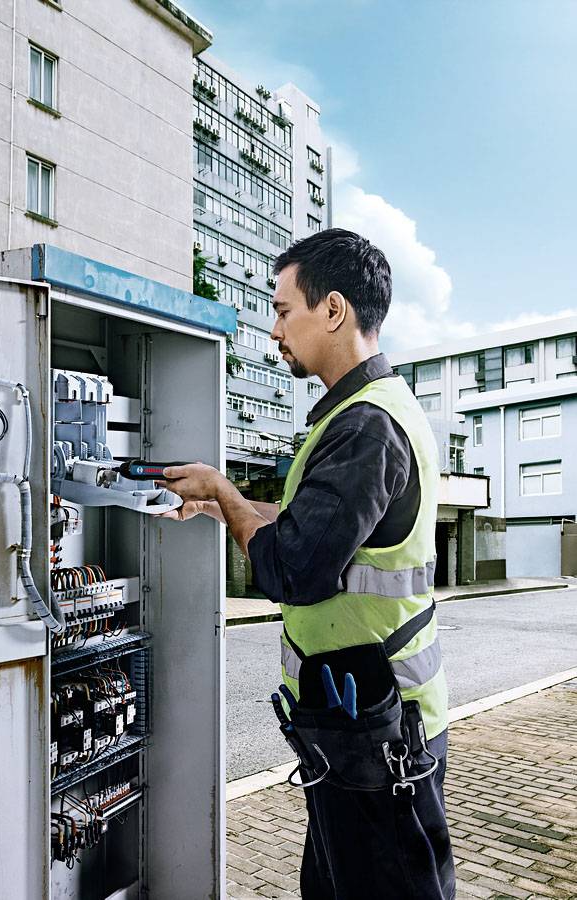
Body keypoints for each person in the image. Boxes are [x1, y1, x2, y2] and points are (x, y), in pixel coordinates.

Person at [160, 228, 455, 900]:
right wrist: (218, 506)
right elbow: (321, 533)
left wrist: (226, 494)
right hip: (360, 731)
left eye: (283, 309)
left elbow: (292, 568)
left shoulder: (362, 426)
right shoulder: (363, 413)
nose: (274, 329)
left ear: (332, 311)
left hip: (381, 737)